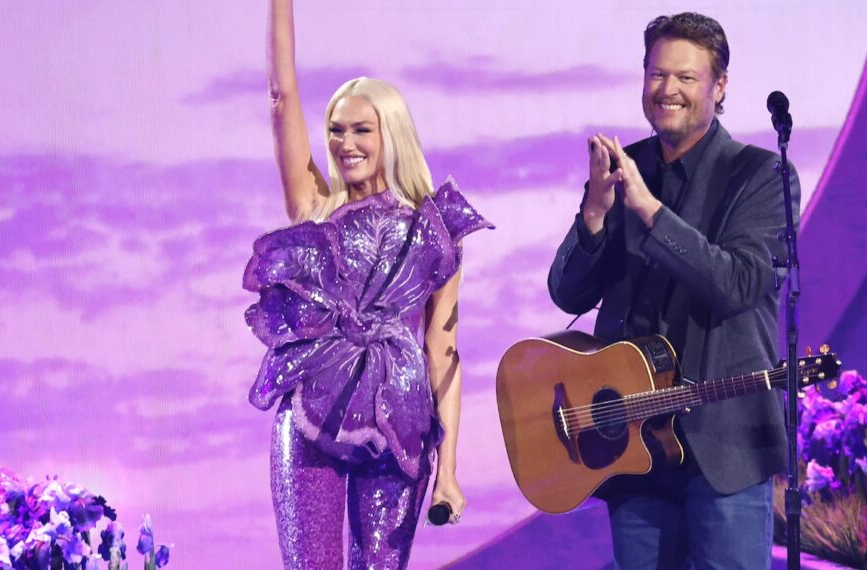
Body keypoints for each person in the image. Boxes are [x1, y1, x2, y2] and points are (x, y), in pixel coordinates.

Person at [242, 1, 492, 568]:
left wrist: (448, 469)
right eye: (335, 130)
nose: (344, 143)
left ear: (391, 133)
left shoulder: (435, 233)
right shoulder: (314, 206)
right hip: (311, 421)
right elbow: (281, 98)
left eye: (361, 129)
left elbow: (444, 353)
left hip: (400, 428)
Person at [548, 12, 800, 570]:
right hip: (635, 446)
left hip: (726, 450)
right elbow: (567, 294)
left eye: (686, 77)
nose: (669, 90)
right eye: (658, 75)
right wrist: (595, 211)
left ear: (720, 86)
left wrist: (649, 211)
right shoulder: (626, 168)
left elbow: (737, 283)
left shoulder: (761, 176)